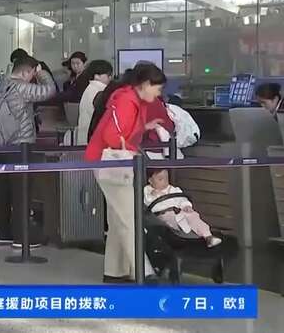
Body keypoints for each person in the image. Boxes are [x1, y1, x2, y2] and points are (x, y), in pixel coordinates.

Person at [85, 62, 167, 283]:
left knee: (118, 218)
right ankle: (143, 272)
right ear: (146, 84)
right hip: (112, 164)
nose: (159, 93)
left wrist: (144, 127)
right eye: (157, 88)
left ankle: (115, 271)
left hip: (103, 161)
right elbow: (113, 136)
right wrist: (131, 147)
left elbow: (122, 129)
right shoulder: (128, 101)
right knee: (129, 217)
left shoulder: (129, 98)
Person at [0, 55, 56, 247]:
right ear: (27, 72)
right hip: (20, 144)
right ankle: (22, 236)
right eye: (32, 74)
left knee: (4, 190)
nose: (32, 78)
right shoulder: (20, 87)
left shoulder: (1, 85)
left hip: (2, 143)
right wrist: (42, 73)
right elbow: (49, 91)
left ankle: (4, 233)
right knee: (22, 191)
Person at [145, 169, 222, 248]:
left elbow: (182, 199)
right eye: (160, 179)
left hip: (179, 211)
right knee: (171, 218)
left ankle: (208, 236)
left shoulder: (173, 189)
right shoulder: (147, 191)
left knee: (193, 215)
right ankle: (185, 227)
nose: (165, 181)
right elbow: (147, 203)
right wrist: (152, 196)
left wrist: (186, 206)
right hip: (163, 214)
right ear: (150, 181)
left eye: (166, 178)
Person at [76, 60, 113, 145]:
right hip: (93, 140)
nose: (110, 78)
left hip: (85, 138)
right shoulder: (100, 92)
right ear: (97, 76)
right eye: (109, 75)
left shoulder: (90, 89)